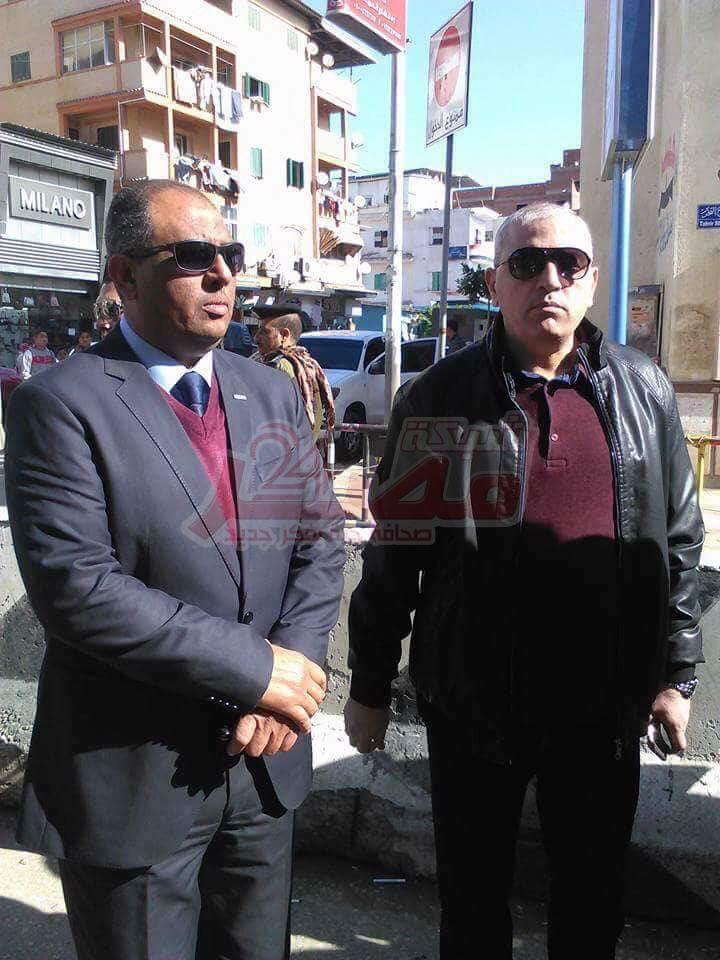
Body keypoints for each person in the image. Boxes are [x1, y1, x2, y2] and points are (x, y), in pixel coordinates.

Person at [344, 201, 704, 960]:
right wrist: (369, 683)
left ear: (592, 281)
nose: (550, 279)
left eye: (569, 264)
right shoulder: (441, 397)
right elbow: (396, 552)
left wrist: (676, 675)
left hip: (603, 708)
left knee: (592, 903)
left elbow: (677, 543)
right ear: (495, 283)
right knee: (473, 903)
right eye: (527, 263)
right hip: (473, 704)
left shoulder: (644, 390)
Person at [6, 180, 345, 960]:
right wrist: (256, 668)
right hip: (132, 778)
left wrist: (287, 678)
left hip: (263, 766)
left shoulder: (268, 392)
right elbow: (78, 588)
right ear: (125, 277)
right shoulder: (59, 404)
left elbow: (320, 539)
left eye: (230, 253)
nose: (223, 273)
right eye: (194, 256)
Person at [253, 310, 335, 442]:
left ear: (284, 335)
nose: (256, 338)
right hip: (302, 448)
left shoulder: (280, 366)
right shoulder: (308, 364)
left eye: (264, 332)